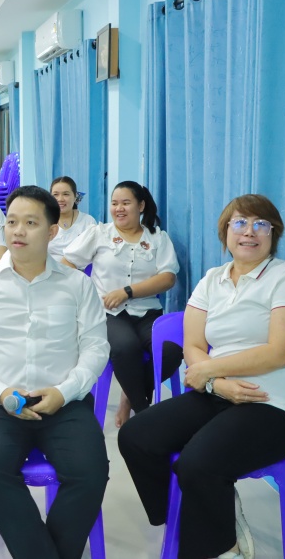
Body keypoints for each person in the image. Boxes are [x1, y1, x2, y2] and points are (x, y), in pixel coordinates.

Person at [119, 195, 285, 559]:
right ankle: (198, 516)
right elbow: (193, 344)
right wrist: (215, 383)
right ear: (225, 232)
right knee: (136, 436)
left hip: (273, 405)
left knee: (198, 465)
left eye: (261, 224)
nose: (249, 232)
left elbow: (279, 352)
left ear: (273, 234)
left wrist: (209, 370)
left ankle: (223, 549)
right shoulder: (212, 280)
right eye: (239, 223)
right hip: (216, 392)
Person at [0, 185, 110, 559]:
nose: (18, 231)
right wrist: (1, 391)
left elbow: (96, 348)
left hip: (63, 401)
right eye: (11, 222)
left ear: (52, 231)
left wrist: (64, 392)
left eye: (31, 223)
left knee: (90, 472)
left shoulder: (78, 285)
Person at [63, 181, 181, 427]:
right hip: (108, 312)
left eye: (126, 203)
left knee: (171, 350)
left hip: (148, 312)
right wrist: (83, 295)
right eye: (114, 203)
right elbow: (67, 263)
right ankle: (144, 415)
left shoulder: (157, 238)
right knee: (126, 347)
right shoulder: (99, 234)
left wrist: (128, 292)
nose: (119, 208)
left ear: (141, 206)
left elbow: (168, 278)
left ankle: (129, 395)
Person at [48, 176, 96, 261]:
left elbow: (95, 254)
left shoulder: (88, 222)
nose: (60, 199)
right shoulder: (45, 221)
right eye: (55, 194)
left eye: (66, 194)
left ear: (75, 196)